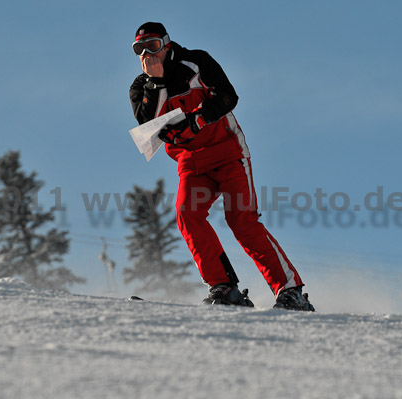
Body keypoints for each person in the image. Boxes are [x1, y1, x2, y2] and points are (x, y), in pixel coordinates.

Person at [129, 22, 314, 311]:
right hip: (191, 162)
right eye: (139, 50)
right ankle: (224, 287)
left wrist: (199, 118)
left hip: (227, 152)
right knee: (186, 214)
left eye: (152, 47)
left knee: (241, 219)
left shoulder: (196, 61)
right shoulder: (142, 86)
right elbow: (148, 126)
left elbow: (228, 96)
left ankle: (291, 291)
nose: (146, 55)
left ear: (166, 44)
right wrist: (156, 82)